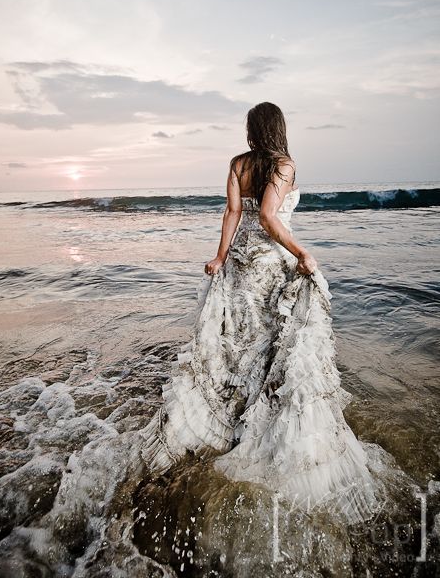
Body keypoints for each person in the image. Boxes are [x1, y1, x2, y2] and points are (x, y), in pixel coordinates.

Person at [140, 102, 381, 524]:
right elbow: (269, 218)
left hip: (239, 266)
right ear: (280, 128)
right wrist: (303, 251)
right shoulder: (283, 165)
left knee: (241, 349)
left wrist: (219, 258)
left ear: (253, 129)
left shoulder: (238, 163)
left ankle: (231, 424)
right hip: (269, 264)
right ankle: (264, 430)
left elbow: (234, 212)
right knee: (274, 349)